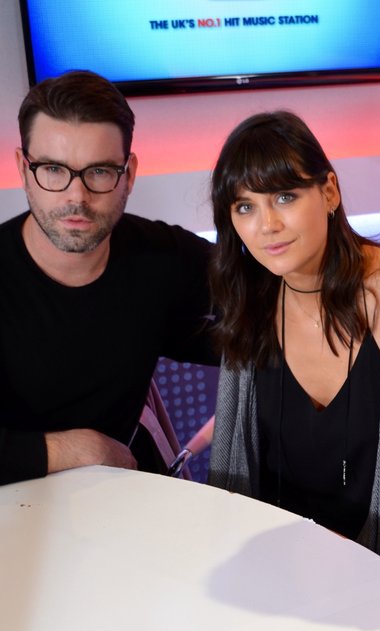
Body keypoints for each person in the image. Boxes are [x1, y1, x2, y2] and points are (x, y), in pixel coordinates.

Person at [206, 111, 380, 569]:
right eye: (244, 207)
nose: (265, 224)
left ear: (329, 191)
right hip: (273, 570)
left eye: (284, 196)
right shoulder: (248, 300)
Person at [0, 70, 216, 485]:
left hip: (116, 504)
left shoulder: (161, 256)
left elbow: (268, 300)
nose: (76, 196)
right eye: (52, 170)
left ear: (128, 174)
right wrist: (71, 448)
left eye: (99, 171)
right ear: (23, 169)